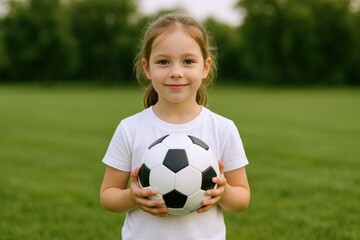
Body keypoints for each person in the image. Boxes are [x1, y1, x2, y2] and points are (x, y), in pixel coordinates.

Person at [100, 13, 250, 240]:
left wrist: (224, 192)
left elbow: (242, 198)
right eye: (163, 62)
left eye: (188, 61)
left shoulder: (222, 128)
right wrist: (132, 198)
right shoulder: (130, 128)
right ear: (147, 68)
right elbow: (107, 195)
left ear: (205, 67)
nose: (176, 72)